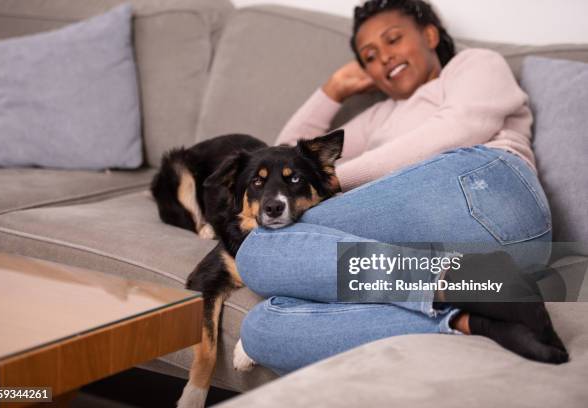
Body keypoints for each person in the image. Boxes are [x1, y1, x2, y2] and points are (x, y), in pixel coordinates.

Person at [234, 0, 568, 375]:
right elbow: (282, 160)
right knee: (264, 328)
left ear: (429, 35)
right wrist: (332, 91)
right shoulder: (379, 116)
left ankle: (465, 281)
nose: (384, 58)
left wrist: (339, 178)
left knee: (260, 249)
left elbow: (457, 127)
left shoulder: (472, 64)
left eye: (393, 40)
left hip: (491, 194)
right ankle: (476, 317)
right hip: (466, 253)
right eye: (370, 57)